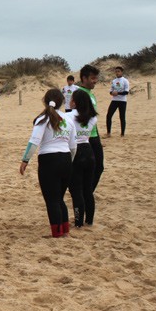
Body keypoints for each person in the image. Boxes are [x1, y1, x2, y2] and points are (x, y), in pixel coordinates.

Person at [19, 89, 77, 238]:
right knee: (59, 198)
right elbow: (73, 147)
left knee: (52, 200)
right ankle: (65, 231)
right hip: (66, 159)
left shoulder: (42, 119)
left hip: (49, 160)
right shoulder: (68, 120)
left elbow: (34, 142)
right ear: (62, 102)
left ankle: (57, 233)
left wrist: (25, 160)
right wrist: (69, 161)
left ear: (45, 101)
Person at [66, 90, 98, 228]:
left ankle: (78, 221)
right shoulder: (93, 117)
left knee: (76, 190)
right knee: (88, 189)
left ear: (75, 102)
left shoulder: (69, 116)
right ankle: (89, 220)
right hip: (88, 150)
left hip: (76, 151)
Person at [78, 65, 104, 194]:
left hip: (95, 135)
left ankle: (87, 192)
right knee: (88, 168)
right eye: (92, 78)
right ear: (84, 78)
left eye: (96, 78)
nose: (95, 81)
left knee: (99, 167)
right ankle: (85, 193)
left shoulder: (91, 94)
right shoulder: (80, 94)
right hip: (86, 137)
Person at [106, 66, 130, 137]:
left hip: (122, 101)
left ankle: (122, 133)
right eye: (116, 71)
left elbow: (126, 92)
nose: (117, 73)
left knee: (122, 117)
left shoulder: (125, 81)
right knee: (109, 115)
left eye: (118, 71)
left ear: (122, 72)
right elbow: (111, 91)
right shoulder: (114, 81)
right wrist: (112, 93)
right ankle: (108, 132)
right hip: (114, 100)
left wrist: (118, 93)